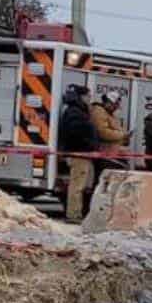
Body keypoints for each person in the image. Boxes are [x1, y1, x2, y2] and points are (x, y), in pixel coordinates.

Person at [60, 84, 100, 223]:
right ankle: (73, 214)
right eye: (88, 96)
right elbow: (77, 135)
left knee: (81, 185)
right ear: (81, 97)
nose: (89, 99)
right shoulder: (75, 113)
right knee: (77, 186)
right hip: (80, 155)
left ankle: (76, 213)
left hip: (82, 154)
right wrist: (89, 148)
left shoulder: (77, 111)